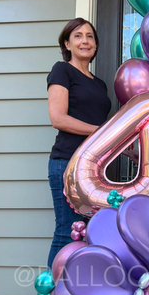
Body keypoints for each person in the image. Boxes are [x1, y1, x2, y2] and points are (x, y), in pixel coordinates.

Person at [46, 18, 111, 267]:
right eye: (78, 36)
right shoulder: (62, 71)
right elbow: (58, 118)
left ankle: (81, 294)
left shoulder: (100, 84)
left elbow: (104, 130)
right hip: (67, 163)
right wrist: (102, 133)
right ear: (67, 44)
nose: (85, 41)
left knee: (90, 232)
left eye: (90, 36)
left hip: (96, 169)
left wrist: (127, 150)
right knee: (67, 231)